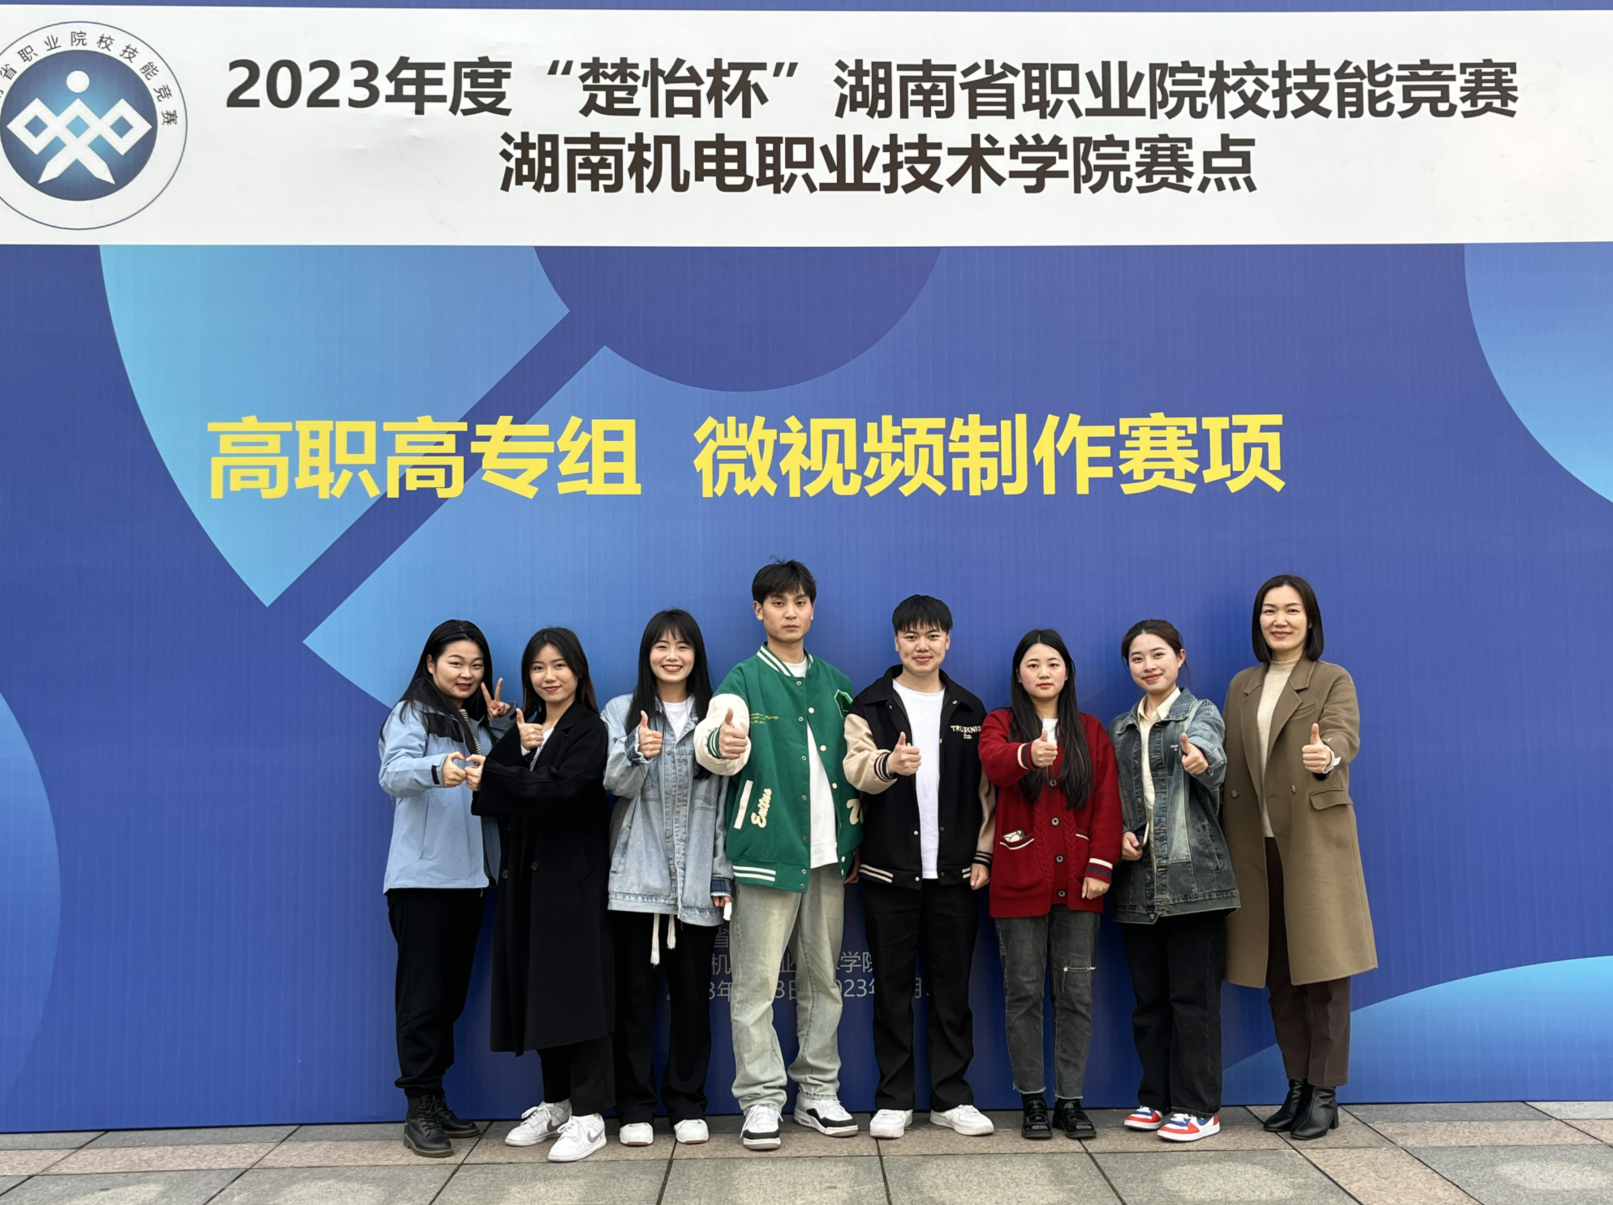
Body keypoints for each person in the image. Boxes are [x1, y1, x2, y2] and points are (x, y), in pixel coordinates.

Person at [694, 560, 862, 1151]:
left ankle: (817, 1092)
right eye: (778, 603)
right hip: (766, 853)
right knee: (755, 985)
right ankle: (762, 1099)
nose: (790, 613)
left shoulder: (836, 683)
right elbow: (713, 743)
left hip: (827, 857)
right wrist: (723, 743)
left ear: (812, 609)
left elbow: (855, 765)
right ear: (758, 611)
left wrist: (853, 837)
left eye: (799, 602)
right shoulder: (743, 679)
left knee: (823, 982)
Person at [1222, 575, 1374, 1141]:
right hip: (1254, 845)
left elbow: (1342, 736)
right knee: (1279, 975)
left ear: (1310, 619)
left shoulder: (1332, 678)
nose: (1279, 620)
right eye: (1269, 610)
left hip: (1312, 842)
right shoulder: (1242, 684)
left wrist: (1325, 754)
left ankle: (1325, 1093)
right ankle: (1297, 1087)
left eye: (1291, 610)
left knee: (1326, 973)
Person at [843, 594, 995, 1140]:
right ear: (896, 642)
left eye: (932, 635)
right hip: (889, 873)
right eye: (911, 636)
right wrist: (890, 763)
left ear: (947, 641)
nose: (921, 646)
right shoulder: (869, 704)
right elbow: (855, 768)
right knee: (891, 992)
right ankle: (894, 1099)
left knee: (952, 992)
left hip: (956, 875)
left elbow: (987, 794)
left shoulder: (971, 710)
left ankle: (952, 1098)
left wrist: (983, 853)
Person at [473, 628, 614, 1163]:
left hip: (572, 878)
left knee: (580, 991)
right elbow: (496, 790)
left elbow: (564, 789)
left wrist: (498, 775)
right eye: (538, 667)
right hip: (525, 878)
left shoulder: (590, 729)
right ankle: (557, 1103)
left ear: (578, 670)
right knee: (542, 990)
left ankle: (590, 1115)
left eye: (558, 665)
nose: (548, 676)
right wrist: (511, 744)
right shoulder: (526, 729)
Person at [979, 629, 1121, 1141]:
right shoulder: (1000, 723)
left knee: (1075, 994)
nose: (1044, 672)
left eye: (1053, 663)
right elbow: (994, 763)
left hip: (1081, 887)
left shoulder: (1091, 731)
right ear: (1019, 675)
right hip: (1017, 883)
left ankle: (1070, 1101)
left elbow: (1107, 802)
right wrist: (1027, 755)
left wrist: (1100, 866)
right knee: (1023, 994)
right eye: (1033, 664)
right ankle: (1033, 1100)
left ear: (1067, 673)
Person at [379, 619, 513, 1158]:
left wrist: (499, 729)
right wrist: (438, 768)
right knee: (422, 1001)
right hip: (423, 882)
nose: (466, 673)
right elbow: (392, 774)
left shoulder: (475, 722)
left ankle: (434, 1098)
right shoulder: (411, 714)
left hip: (471, 880)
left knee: (449, 999)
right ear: (430, 663)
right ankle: (419, 1106)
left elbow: (502, 777)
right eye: (456, 662)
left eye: (476, 665)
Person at [601, 610, 732, 1148]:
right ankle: (634, 1107)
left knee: (692, 1001)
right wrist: (636, 751)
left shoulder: (718, 714)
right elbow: (610, 782)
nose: (672, 656)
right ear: (647, 654)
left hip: (698, 879)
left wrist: (722, 873)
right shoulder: (621, 710)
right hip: (636, 879)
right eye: (661, 646)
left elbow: (726, 801)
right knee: (634, 1002)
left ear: (696, 655)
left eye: (682, 646)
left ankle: (686, 1104)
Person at [1109, 619, 1239, 1143]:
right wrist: (1119, 836)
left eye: (1158, 654)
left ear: (1180, 658)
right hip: (1138, 884)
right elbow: (1115, 800)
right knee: (1149, 1003)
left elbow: (1211, 754)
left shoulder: (1200, 713)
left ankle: (1199, 1108)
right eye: (1137, 658)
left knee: (1194, 1001)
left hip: (1194, 881)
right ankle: (1155, 1100)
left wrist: (1200, 758)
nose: (1149, 665)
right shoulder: (1120, 728)